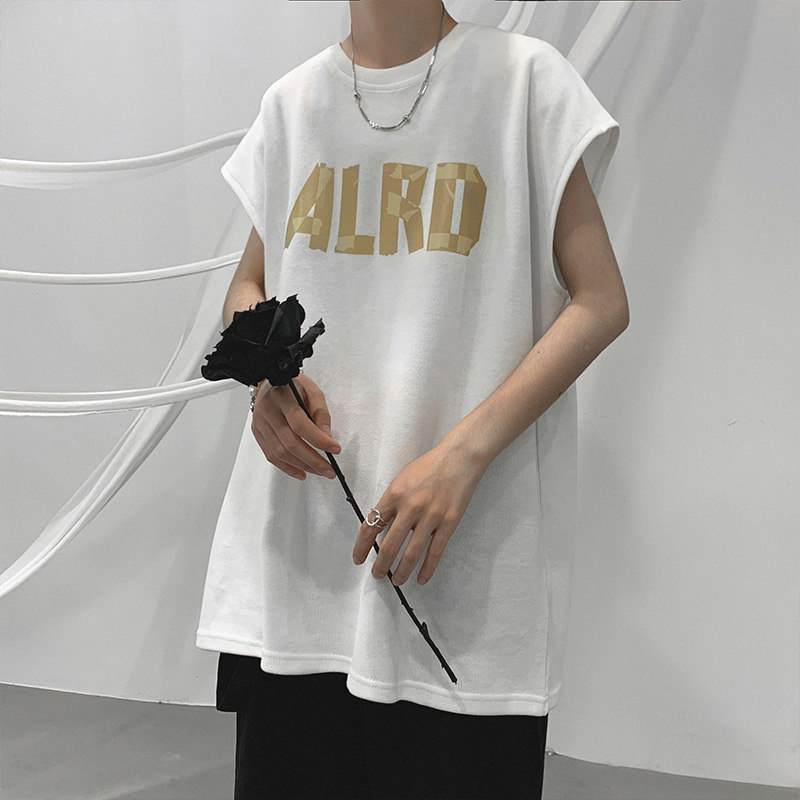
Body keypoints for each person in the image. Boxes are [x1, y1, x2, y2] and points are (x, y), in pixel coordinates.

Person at [198, 2, 627, 798]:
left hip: (457, 577)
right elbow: (248, 286)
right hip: (296, 565)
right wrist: (266, 382)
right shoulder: (293, 103)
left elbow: (600, 302)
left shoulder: (524, 82)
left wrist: (461, 457)